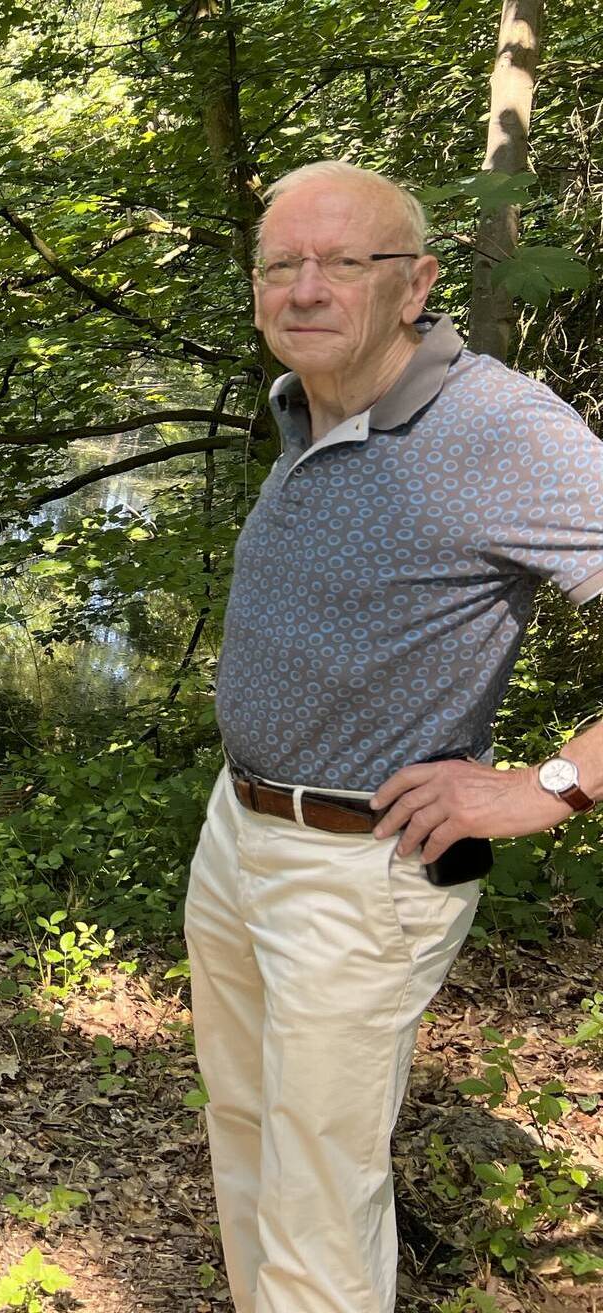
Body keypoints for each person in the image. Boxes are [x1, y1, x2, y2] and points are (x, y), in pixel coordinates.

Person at [186, 159, 603, 1313]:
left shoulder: (497, 427)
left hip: (359, 869)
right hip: (238, 835)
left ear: (414, 284)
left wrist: (549, 781)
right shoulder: (301, 404)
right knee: (248, 1137)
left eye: (342, 263)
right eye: (281, 263)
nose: (304, 288)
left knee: (318, 1199)